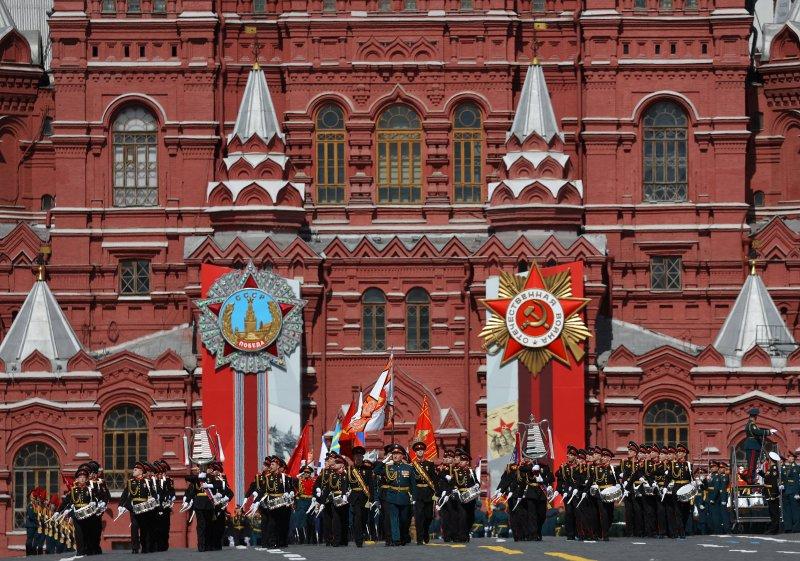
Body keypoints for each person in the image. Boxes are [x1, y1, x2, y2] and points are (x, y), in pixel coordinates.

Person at [373, 444, 416, 546]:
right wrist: (384, 460)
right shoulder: (388, 467)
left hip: (404, 496)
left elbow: (413, 484)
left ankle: (403, 536)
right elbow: (376, 471)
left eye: (398, 453)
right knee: (393, 518)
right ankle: (396, 539)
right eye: (394, 454)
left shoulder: (408, 468)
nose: (395, 456)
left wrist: (414, 497)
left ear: (402, 456)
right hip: (391, 496)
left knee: (404, 519)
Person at [118, 461, 157, 553]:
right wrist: (120, 505)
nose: (133, 471)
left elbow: (154, 494)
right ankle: (135, 547)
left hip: (145, 508)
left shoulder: (147, 482)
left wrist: (153, 499)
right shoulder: (131, 482)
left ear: (141, 471)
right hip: (134, 507)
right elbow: (125, 494)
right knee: (134, 528)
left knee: (144, 528)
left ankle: (144, 547)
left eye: (136, 470)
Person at [59, 466, 95, 557]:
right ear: (77, 479)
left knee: (87, 532)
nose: (82, 479)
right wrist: (58, 511)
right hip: (76, 514)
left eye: (84, 478)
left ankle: (88, 549)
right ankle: (80, 550)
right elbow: (66, 502)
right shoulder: (73, 490)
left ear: (86, 479)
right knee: (78, 533)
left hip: (87, 514)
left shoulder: (90, 490)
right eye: (80, 478)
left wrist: (94, 503)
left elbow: (95, 500)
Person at [409, 440, 437, 545]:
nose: (420, 452)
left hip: (428, 493)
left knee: (429, 516)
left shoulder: (430, 464)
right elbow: (410, 482)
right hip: (417, 493)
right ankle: (420, 538)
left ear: (424, 451)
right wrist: (411, 494)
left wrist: (436, 493)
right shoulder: (412, 466)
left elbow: (434, 479)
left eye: (421, 450)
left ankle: (425, 531)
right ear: (415, 453)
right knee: (419, 516)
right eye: (417, 450)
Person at [320, 456, 350, 547]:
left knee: (344, 520)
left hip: (345, 499)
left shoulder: (346, 475)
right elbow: (327, 490)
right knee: (336, 520)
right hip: (335, 500)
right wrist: (322, 502)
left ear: (341, 465)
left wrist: (345, 495)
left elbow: (346, 486)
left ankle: (344, 540)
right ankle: (336, 540)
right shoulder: (332, 476)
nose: (334, 465)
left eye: (336, 463)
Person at [743, 408, 777, 484]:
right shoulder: (751, 424)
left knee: (753, 463)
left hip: (754, 446)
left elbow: (757, 432)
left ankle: (752, 478)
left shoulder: (752, 424)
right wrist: (768, 432)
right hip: (752, 446)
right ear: (755, 416)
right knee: (751, 463)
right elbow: (757, 431)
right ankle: (749, 479)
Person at [347, 445, 373, 547]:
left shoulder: (367, 469)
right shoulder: (349, 469)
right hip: (354, 497)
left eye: (360, 456)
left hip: (365, 497)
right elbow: (346, 482)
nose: (358, 458)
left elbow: (371, 484)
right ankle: (358, 539)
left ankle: (361, 532)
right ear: (354, 457)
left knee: (364, 518)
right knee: (357, 517)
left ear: (363, 458)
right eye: (356, 456)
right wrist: (345, 494)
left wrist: (372, 498)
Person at [619, 441, 641, 537]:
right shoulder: (625, 463)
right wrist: (623, 482)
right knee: (628, 511)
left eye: (631, 451)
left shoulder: (639, 464)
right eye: (628, 450)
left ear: (635, 453)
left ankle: (638, 531)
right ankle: (629, 531)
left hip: (636, 488)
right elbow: (617, 472)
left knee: (637, 510)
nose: (628, 452)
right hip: (627, 488)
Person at [761, 455, 782, 534]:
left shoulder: (774, 468)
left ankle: (774, 529)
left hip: (771, 493)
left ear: (771, 460)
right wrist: (760, 473)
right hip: (769, 492)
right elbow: (767, 477)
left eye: (768, 459)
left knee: (774, 512)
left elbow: (773, 482)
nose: (768, 460)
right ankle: (773, 528)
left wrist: (773, 494)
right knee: (772, 511)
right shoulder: (770, 468)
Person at [782, 451, 800, 533]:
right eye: (788, 456)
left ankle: (796, 527)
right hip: (786, 491)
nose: (789, 458)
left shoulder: (796, 468)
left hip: (793, 491)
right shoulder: (786, 467)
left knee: (795, 510)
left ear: (794, 458)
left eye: (791, 457)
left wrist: (797, 493)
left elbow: (797, 481)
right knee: (787, 510)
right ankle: (788, 527)